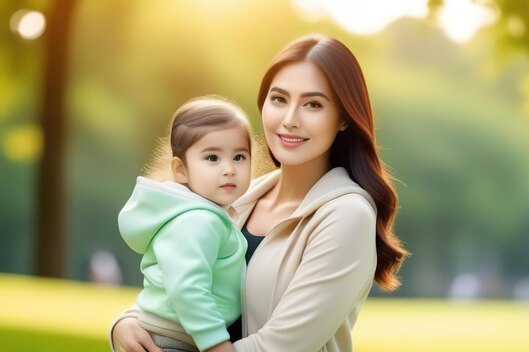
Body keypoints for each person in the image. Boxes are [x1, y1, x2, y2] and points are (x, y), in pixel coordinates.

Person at [111, 33, 409, 352]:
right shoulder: (236, 196)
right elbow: (178, 279)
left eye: (313, 104)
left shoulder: (346, 216)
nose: (290, 119)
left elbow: (281, 345)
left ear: (343, 119)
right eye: (279, 99)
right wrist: (127, 324)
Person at [116, 96, 252, 352]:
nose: (229, 169)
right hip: (174, 340)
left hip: (178, 334)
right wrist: (216, 344)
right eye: (212, 158)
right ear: (181, 170)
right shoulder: (198, 220)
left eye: (239, 157)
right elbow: (187, 288)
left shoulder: (205, 214)